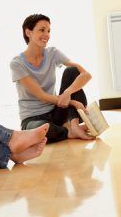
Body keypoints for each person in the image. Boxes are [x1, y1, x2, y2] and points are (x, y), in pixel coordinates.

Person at [10, 14, 93, 144]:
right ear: (28, 32)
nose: (46, 34)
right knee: (39, 130)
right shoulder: (17, 64)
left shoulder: (52, 53)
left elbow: (85, 74)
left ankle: (74, 125)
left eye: (48, 31)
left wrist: (67, 93)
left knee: (72, 71)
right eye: (42, 30)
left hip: (55, 111)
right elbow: (42, 96)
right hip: (33, 119)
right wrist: (72, 102)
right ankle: (69, 131)